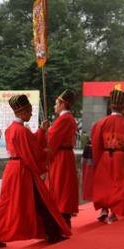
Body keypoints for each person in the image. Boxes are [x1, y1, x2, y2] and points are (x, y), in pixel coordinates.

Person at [0, 94, 70, 247]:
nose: (31, 114)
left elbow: (31, 144)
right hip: (23, 171)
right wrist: (46, 152)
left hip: (13, 170)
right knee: (41, 201)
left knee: (5, 204)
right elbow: (33, 151)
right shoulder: (22, 131)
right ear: (22, 112)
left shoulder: (11, 129)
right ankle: (52, 233)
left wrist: (42, 131)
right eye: (29, 111)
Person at [91, 90, 124, 223]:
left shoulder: (101, 123)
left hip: (105, 156)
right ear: (122, 107)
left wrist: (97, 159)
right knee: (119, 185)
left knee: (104, 183)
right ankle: (113, 212)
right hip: (122, 158)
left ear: (111, 106)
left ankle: (104, 209)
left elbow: (96, 143)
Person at [46, 89, 79, 227]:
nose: (54, 106)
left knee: (60, 186)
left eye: (56, 103)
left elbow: (51, 138)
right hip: (65, 155)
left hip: (60, 157)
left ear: (62, 104)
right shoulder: (68, 118)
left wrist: (45, 131)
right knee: (64, 185)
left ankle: (61, 217)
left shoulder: (64, 119)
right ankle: (63, 217)